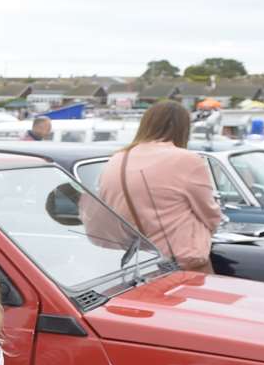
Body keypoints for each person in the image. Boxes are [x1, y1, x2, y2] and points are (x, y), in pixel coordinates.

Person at [93, 100, 221, 272]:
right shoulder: (187, 160)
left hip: (132, 262)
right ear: (183, 128)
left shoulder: (116, 159)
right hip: (180, 260)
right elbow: (209, 213)